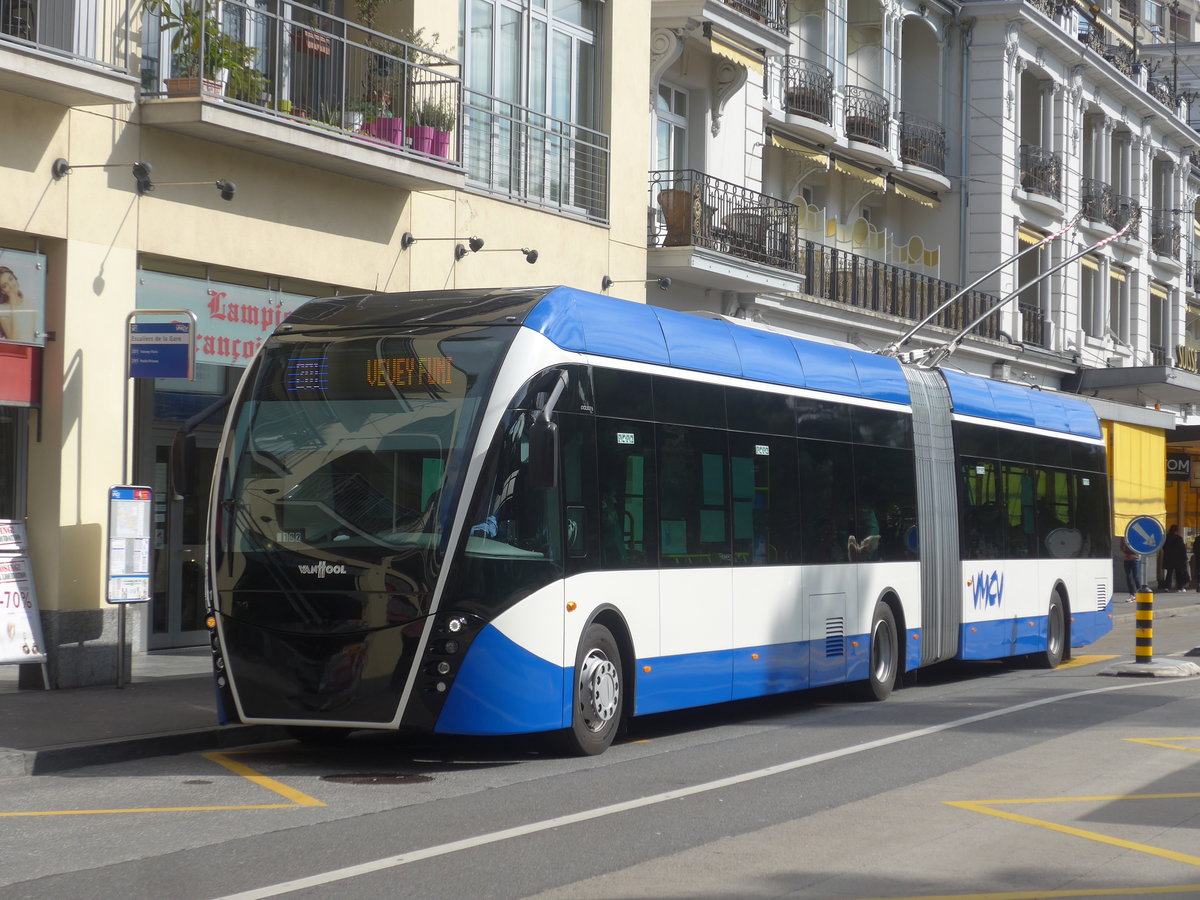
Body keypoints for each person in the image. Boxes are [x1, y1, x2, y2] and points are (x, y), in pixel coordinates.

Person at [1160, 524, 1188, 592]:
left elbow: (1163, 548)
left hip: (1169, 558)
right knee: (1178, 574)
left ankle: (1167, 587)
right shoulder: (1179, 538)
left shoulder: (1166, 538)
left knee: (1169, 573)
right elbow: (1182, 550)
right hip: (1178, 559)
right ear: (1176, 531)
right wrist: (1185, 558)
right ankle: (1179, 587)